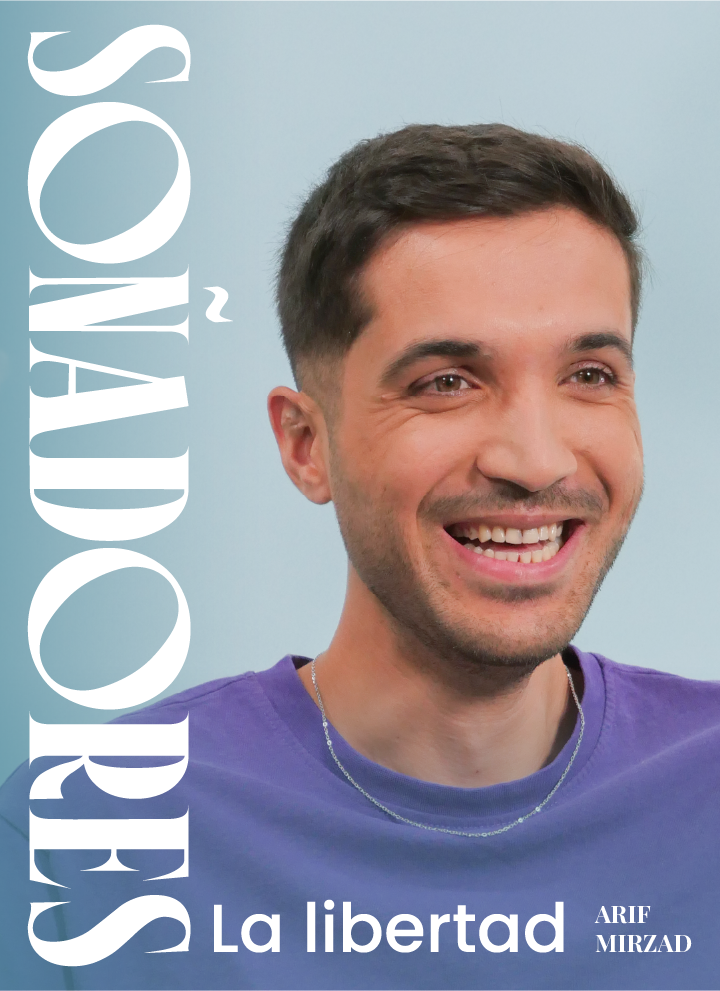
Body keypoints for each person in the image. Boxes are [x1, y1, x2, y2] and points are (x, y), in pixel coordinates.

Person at [2, 123, 718, 991]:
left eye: (591, 375)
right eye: (446, 381)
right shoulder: (88, 832)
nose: (536, 459)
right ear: (307, 445)